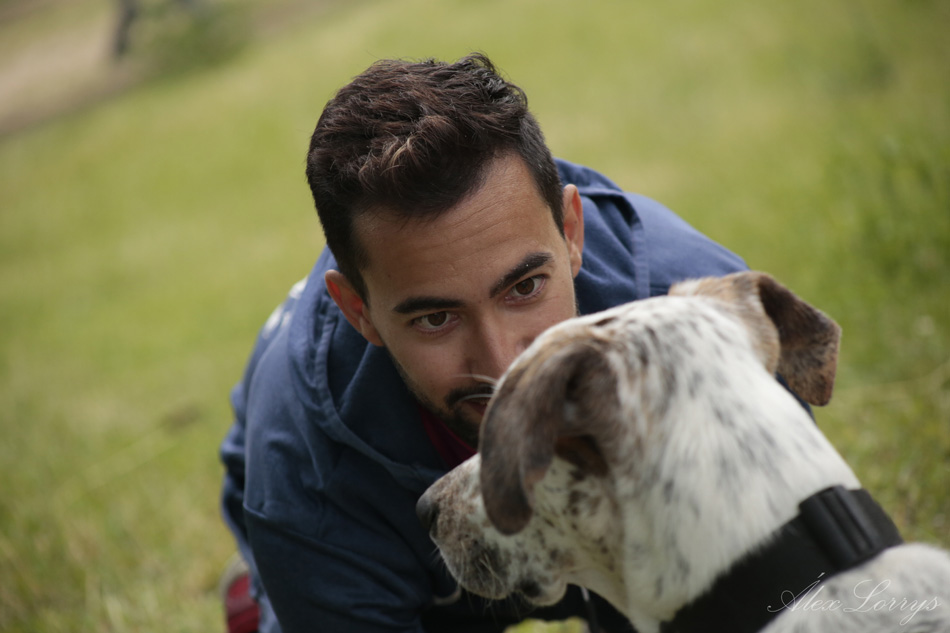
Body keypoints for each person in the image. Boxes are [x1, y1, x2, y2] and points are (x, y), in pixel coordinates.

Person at [219, 53, 751, 633]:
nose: (504, 368)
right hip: (400, 560)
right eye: (435, 319)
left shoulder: (698, 332)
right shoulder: (306, 480)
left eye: (524, 288)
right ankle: (257, 600)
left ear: (572, 231)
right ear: (359, 312)